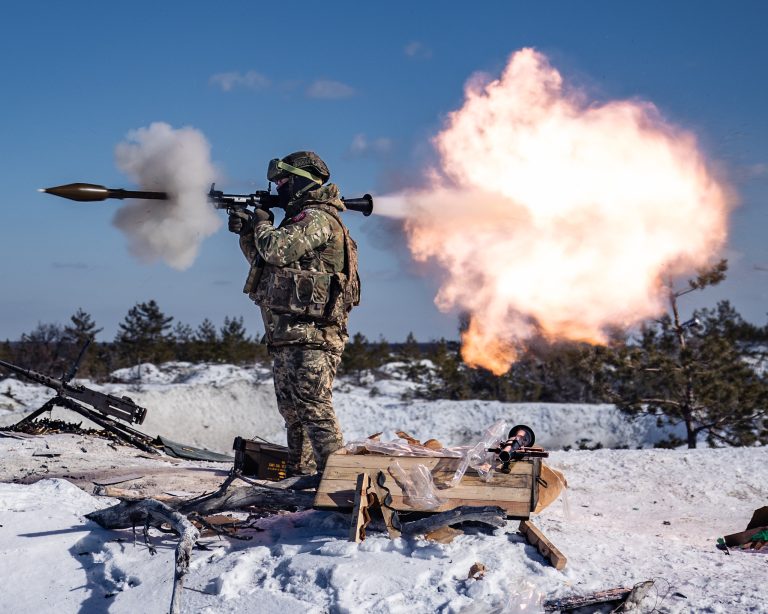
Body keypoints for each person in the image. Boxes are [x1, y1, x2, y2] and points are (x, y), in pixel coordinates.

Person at [228, 151, 360, 478]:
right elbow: (267, 264)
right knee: (294, 413)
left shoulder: (316, 218)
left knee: (315, 410)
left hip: (314, 336)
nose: (277, 187)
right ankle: (304, 477)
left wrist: (260, 222)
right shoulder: (297, 221)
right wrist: (248, 232)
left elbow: (275, 248)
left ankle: (338, 487)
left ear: (300, 181)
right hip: (290, 335)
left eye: (282, 181)